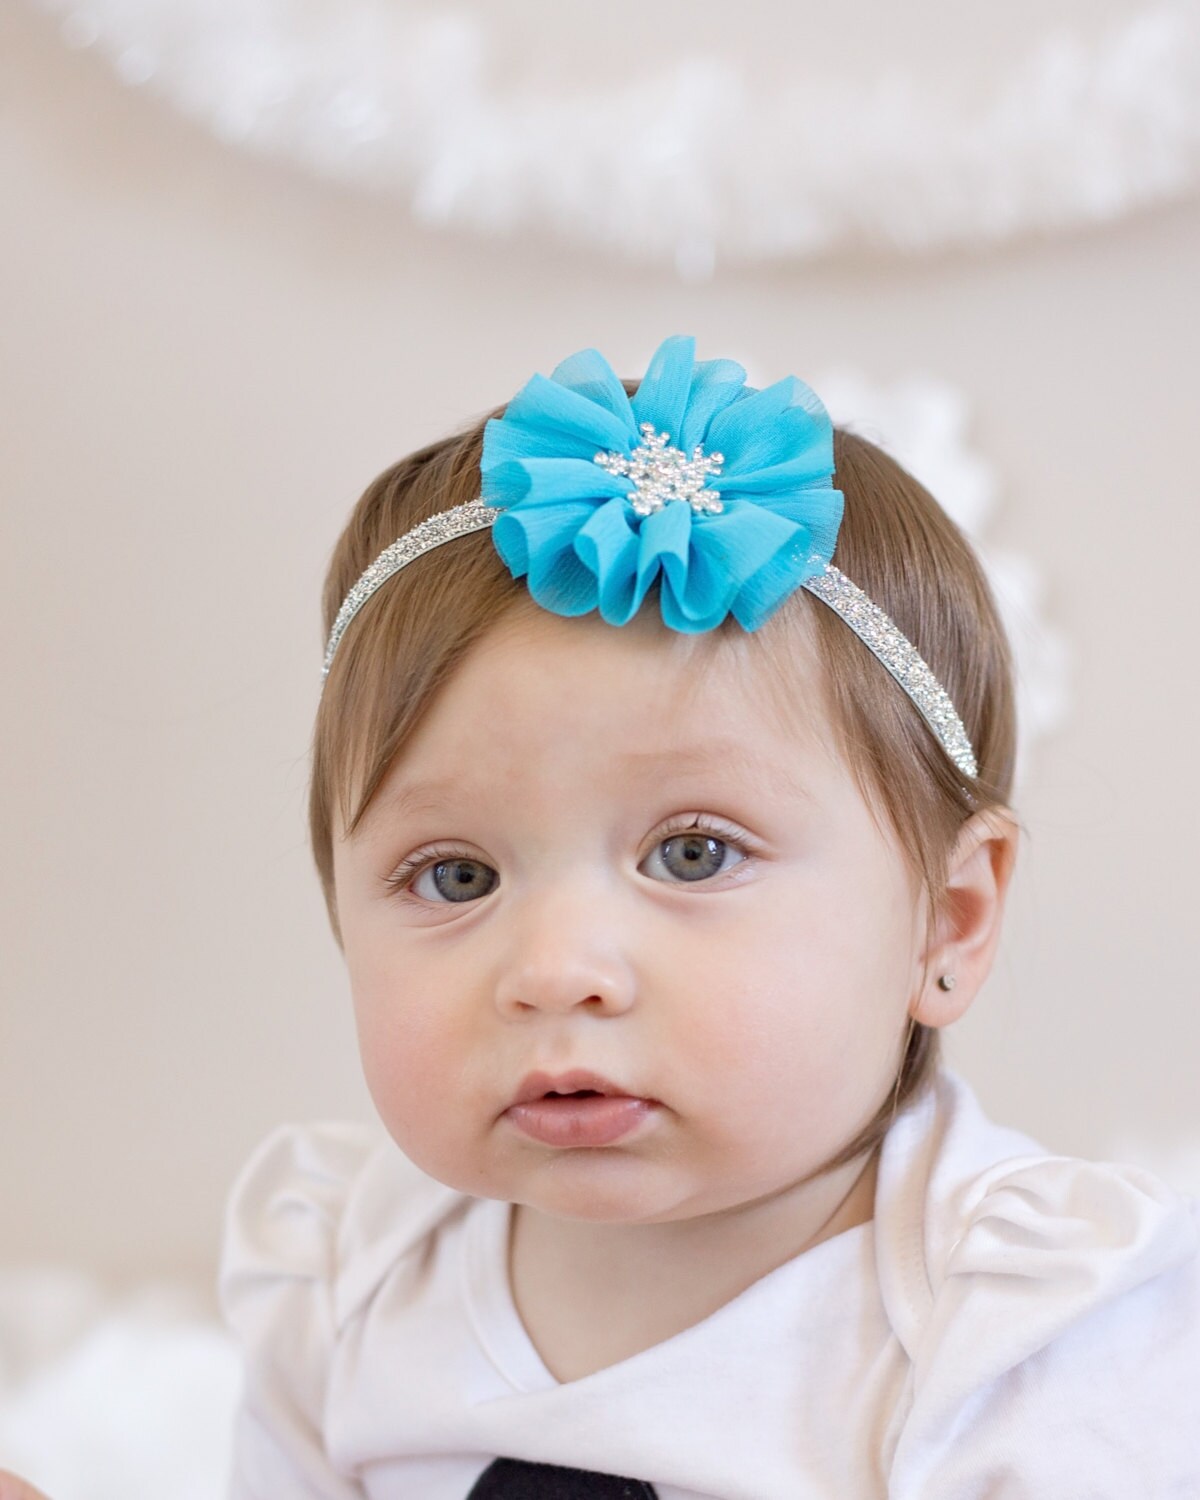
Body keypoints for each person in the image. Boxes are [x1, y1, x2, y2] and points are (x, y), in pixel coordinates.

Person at [217, 336, 1200, 1498]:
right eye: (455, 877)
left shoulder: (1012, 1338)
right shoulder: (355, 1272)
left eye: (692, 855)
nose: (557, 970)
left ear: (948, 919)